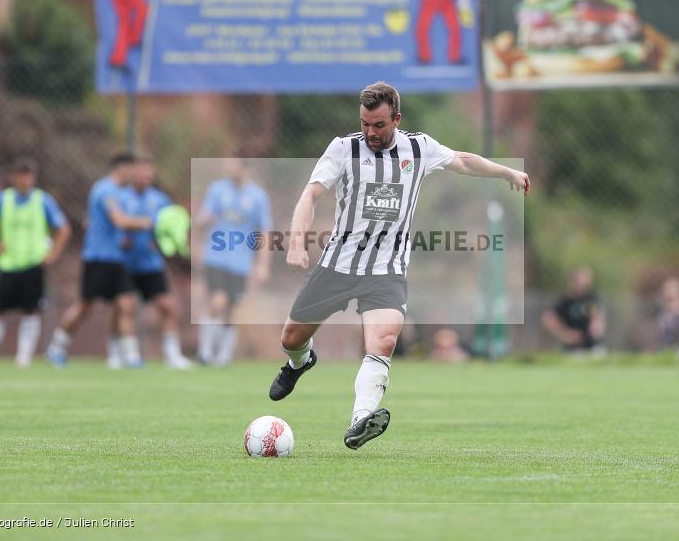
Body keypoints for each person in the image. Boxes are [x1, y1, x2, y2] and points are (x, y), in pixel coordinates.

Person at [266, 81, 530, 450]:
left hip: (386, 270)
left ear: (397, 119)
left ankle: (360, 420)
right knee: (291, 339)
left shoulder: (419, 148)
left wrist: (507, 172)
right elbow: (310, 195)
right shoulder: (343, 148)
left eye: (378, 125)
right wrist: (296, 243)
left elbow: (463, 161)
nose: (370, 133)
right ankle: (300, 363)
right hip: (338, 265)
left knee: (384, 341)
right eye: (364, 124)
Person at [45, 153, 154, 368]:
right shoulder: (105, 190)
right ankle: (56, 348)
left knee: (126, 303)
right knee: (85, 306)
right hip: (99, 258)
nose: (134, 175)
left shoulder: (118, 193)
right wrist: (146, 223)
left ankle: (130, 356)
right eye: (132, 170)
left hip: (116, 258)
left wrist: (123, 240)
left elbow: (98, 223)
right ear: (122, 168)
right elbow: (119, 220)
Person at [0, 159, 70, 367]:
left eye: (28, 175)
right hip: (9, 264)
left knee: (31, 311)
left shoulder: (43, 200)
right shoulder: (3, 199)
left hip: (33, 264)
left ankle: (23, 357)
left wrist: (53, 254)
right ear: (13, 177)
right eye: (21, 175)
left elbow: (63, 228)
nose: (25, 179)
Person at [196, 159, 271, 366]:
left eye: (234, 165)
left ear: (246, 168)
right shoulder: (217, 189)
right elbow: (202, 219)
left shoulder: (258, 196)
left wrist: (263, 264)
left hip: (241, 261)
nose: (229, 168)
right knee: (217, 301)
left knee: (231, 308)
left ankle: (224, 355)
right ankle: (205, 352)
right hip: (216, 256)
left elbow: (264, 231)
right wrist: (203, 221)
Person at [118, 157, 191, 369]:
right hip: (125, 262)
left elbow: (170, 227)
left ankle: (172, 355)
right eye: (142, 174)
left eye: (149, 175)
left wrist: (163, 242)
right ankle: (129, 355)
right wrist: (121, 239)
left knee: (167, 307)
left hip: (150, 263)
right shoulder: (120, 197)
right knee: (126, 307)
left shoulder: (160, 200)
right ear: (133, 174)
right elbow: (111, 224)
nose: (145, 178)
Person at [541, 267, 605, 354]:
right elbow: (547, 318)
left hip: (592, 345)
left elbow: (596, 317)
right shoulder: (565, 301)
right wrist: (565, 334)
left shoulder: (590, 298)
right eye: (580, 283)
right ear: (573, 282)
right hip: (573, 348)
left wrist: (597, 325)